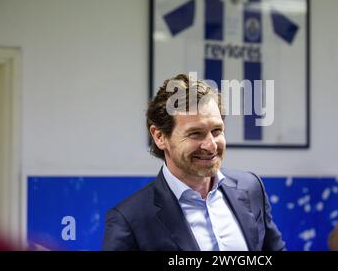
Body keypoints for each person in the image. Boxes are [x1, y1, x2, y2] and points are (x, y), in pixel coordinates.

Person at [103, 74, 285, 251]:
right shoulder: (129, 219)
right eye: (195, 134)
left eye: (216, 130)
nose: (211, 145)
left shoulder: (251, 187)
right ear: (159, 136)